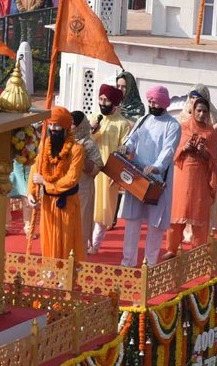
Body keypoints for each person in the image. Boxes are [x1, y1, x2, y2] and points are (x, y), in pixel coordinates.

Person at [115, 82, 178, 267]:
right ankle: (128, 262)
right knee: (133, 220)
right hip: (137, 176)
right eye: (150, 101)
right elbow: (132, 139)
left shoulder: (172, 125)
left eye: (155, 102)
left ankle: (150, 265)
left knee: (155, 224)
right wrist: (126, 147)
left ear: (164, 103)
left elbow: (168, 150)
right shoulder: (144, 119)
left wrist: (157, 167)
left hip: (157, 179)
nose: (152, 105)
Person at [164, 85, 217, 258]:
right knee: (178, 213)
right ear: (192, 110)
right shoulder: (182, 128)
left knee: (199, 216)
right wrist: (185, 148)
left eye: (205, 111)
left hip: (200, 178)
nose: (202, 114)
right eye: (198, 111)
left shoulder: (210, 133)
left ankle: (197, 253)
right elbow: (173, 153)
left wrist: (204, 152)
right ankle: (171, 249)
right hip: (182, 176)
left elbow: (214, 160)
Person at [29, 104, 87, 263]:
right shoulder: (44, 144)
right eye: (51, 125)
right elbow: (36, 168)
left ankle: (65, 275)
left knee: (66, 238)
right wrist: (31, 192)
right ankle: (49, 271)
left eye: (57, 125)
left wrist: (46, 184)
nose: (53, 129)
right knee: (48, 235)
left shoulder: (76, 149)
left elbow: (72, 179)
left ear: (66, 127)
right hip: (48, 202)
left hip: (67, 203)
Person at [90, 85, 133, 252]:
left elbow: (125, 150)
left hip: (108, 173)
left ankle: (95, 244)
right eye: (100, 99)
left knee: (103, 209)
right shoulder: (94, 117)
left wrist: (117, 175)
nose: (102, 102)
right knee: (88, 205)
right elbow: (85, 139)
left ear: (114, 103)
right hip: (90, 169)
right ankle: (85, 241)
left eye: (105, 100)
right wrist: (92, 128)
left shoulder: (122, 124)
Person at [69, 110, 102, 254]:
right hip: (64, 188)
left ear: (80, 126)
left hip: (82, 189)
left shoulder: (89, 144)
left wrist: (79, 156)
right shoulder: (64, 140)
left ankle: (78, 262)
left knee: (80, 225)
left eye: (72, 124)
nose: (69, 127)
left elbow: (97, 168)